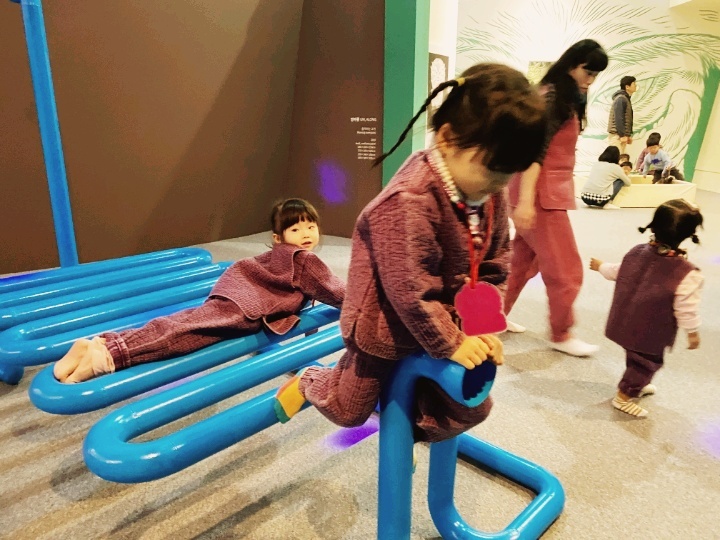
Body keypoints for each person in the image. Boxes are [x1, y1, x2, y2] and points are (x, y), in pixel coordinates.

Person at [273, 63, 547, 442]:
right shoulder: (408, 201)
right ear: (447, 139)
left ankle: (403, 437)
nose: (500, 185)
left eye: (509, 175)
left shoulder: (490, 193)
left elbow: (495, 265)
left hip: (444, 318)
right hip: (383, 324)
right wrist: (452, 343)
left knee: (468, 407)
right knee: (348, 409)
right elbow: (409, 291)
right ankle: (311, 379)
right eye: (493, 171)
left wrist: (479, 328)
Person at [53, 198, 346, 383]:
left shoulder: (280, 255)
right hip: (247, 307)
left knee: (181, 321)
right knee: (186, 335)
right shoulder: (304, 260)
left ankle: (99, 345)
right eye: (296, 229)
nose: (306, 234)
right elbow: (336, 291)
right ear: (278, 237)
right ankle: (107, 357)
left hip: (235, 294)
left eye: (310, 227)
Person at [504, 39, 608, 357]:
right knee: (566, 269)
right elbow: (535, 153)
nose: (590, 80)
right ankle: (561, 334)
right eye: (588, 72)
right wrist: (525, 201)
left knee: (521, 263)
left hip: (541, 192)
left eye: (596, 75)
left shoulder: (558, 95)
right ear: (572, 65)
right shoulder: (553, 98)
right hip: (540, 195)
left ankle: (492, 317)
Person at [589, 199, 703, 417]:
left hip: (624, 322)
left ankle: (636, 383)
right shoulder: (687, 273)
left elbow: (618, 271)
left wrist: (600, 266)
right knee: (647, 364)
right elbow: (686, 308)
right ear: (689, 234)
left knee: (635, 357)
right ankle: (625, 395)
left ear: (653, 225)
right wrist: (693, 332)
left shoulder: (637, 252)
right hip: (650, 332)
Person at [607, 75, 637, 153]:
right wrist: (622, 135)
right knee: (617, 158)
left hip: (620, 135)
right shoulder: (621, 98)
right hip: (616, 136)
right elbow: (619, 118)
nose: (636, 86)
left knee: (622, 158)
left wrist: (627, 135)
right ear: (627, 86)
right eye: (634, 84)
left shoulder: (625, 98)